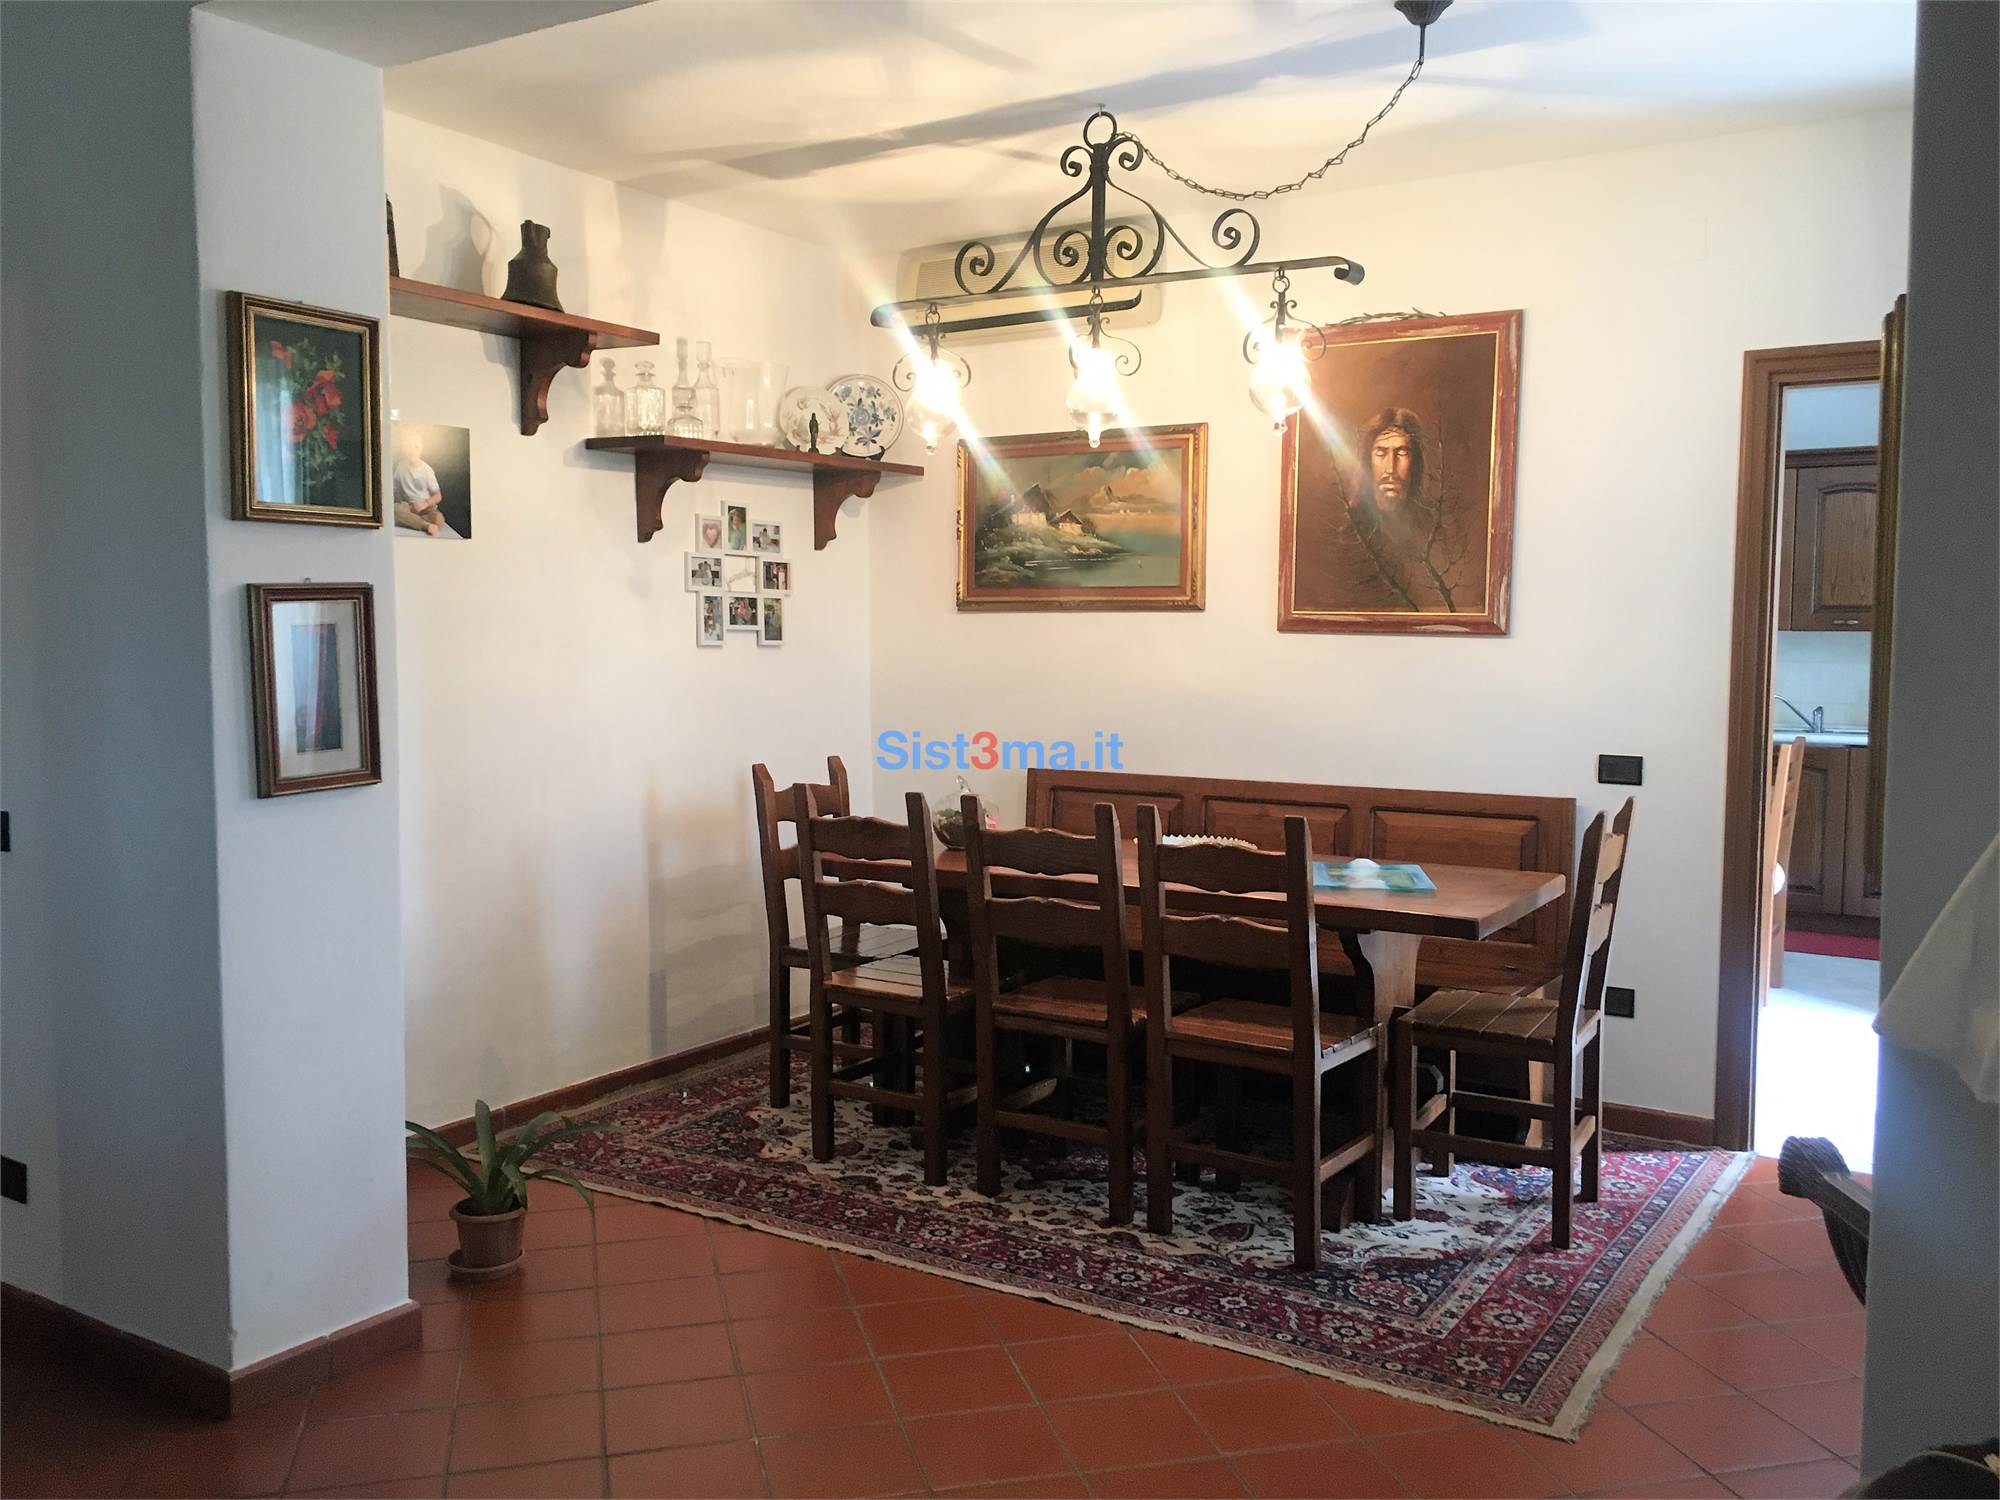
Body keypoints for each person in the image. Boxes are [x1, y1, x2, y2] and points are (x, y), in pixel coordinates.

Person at [1326, 407, 1478, 614]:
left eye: (1402, 453)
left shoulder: (1435, 531)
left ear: (1415, 462)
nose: (1390, 468)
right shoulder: (1349, 533)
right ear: (1368, 460)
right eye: (1381, 453)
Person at [392, 433, 446, 536]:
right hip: (409, 506)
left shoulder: (427, 470)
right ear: (404, 448)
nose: (412, 450)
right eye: (409, 446)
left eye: (416, 447)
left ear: (421, 450)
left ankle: (414, 521)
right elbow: (395, 488)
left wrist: (425, 503)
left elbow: (438, 496)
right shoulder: (401, 467)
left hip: (426, 508)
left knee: (438, 519)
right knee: (395, 510)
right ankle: (425, 525)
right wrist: (403, 503)